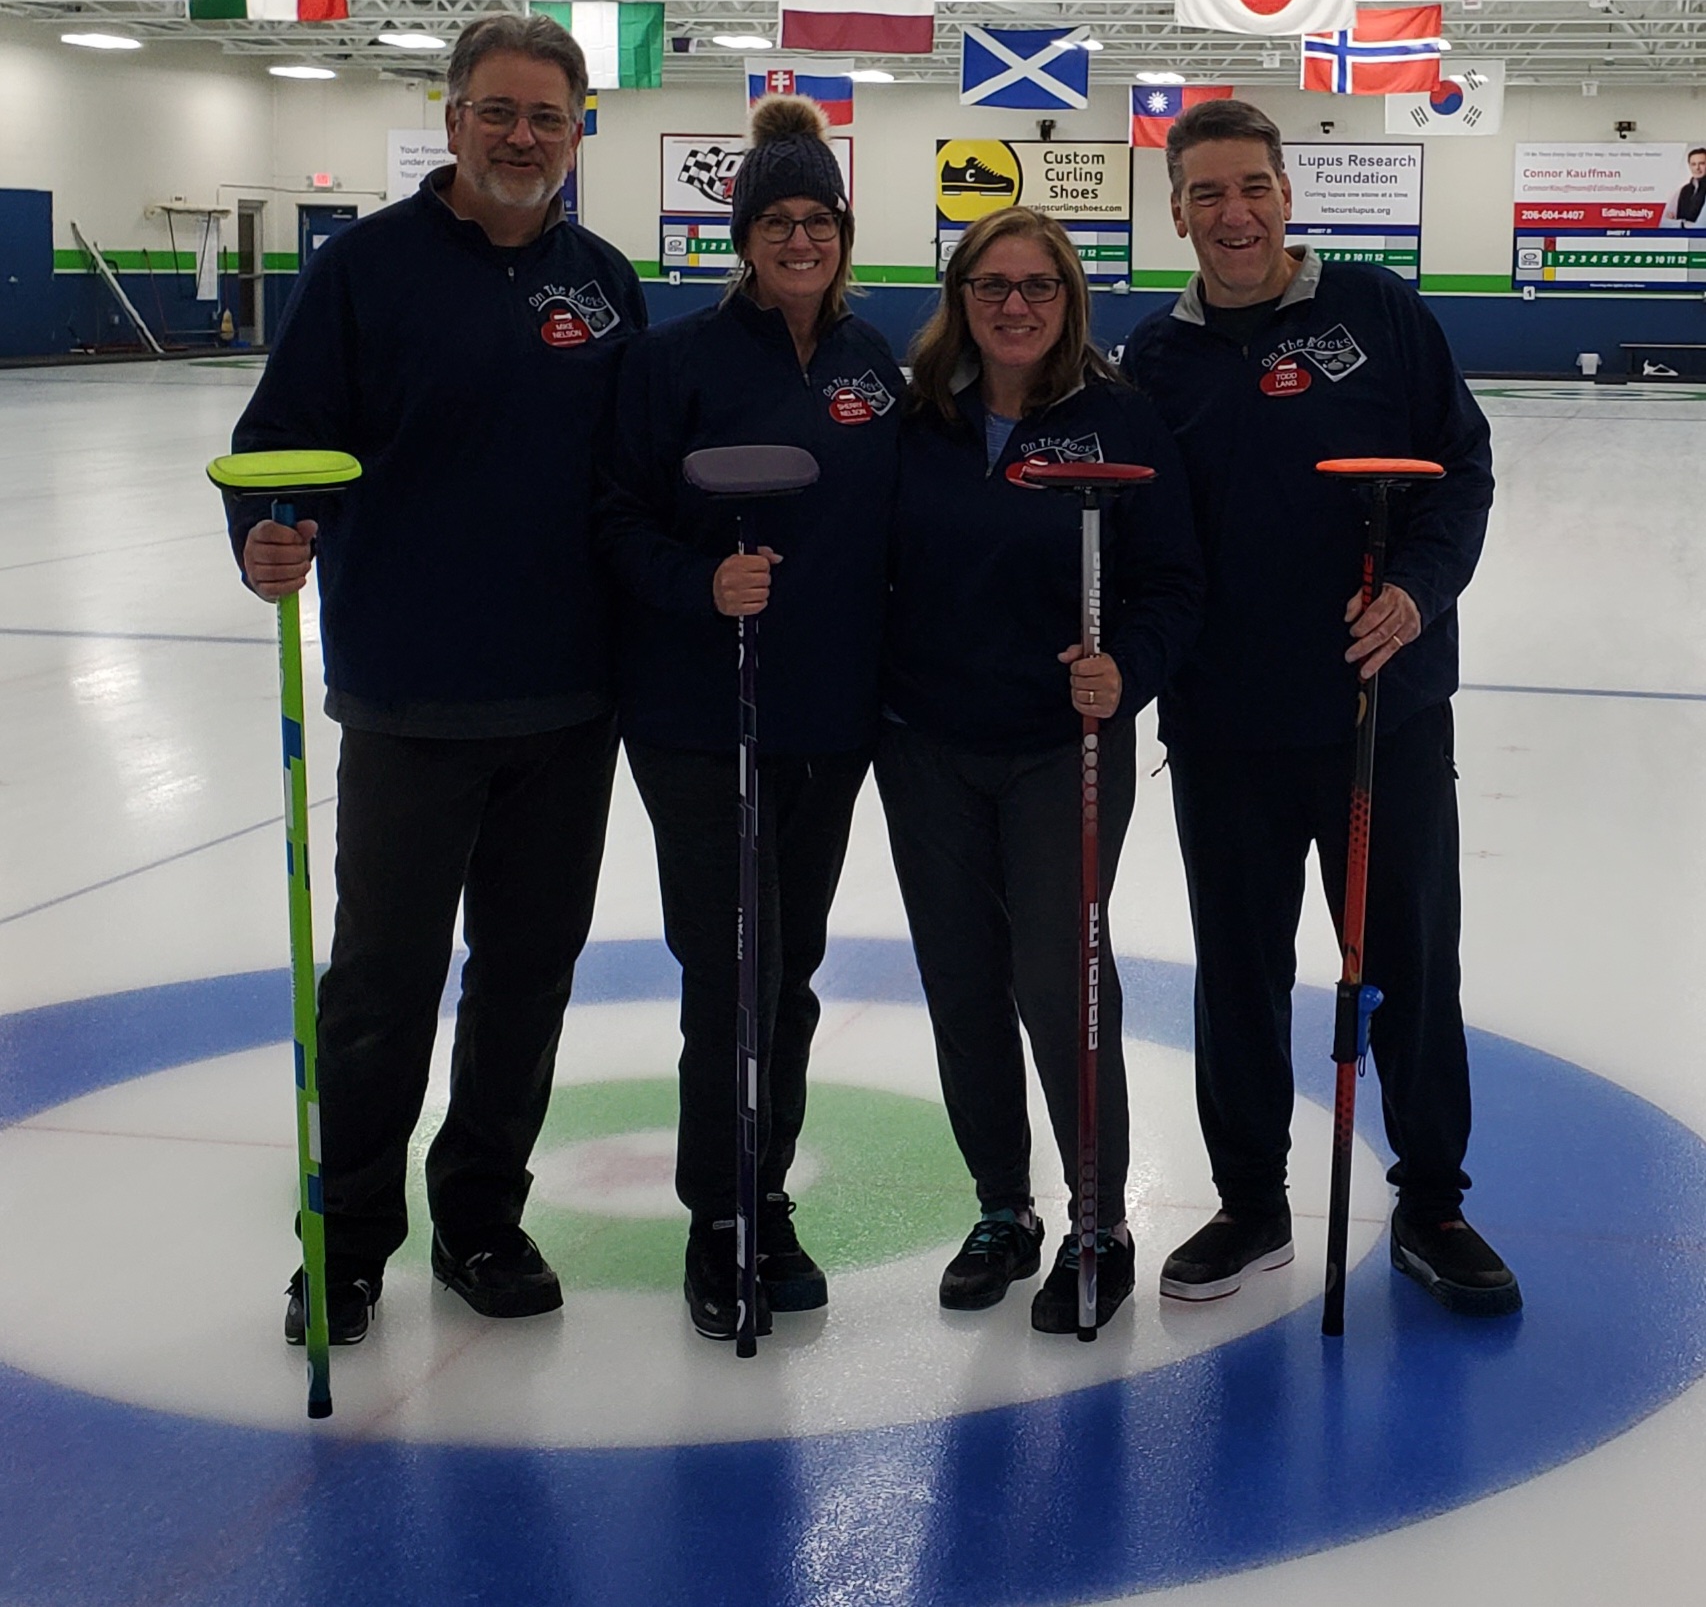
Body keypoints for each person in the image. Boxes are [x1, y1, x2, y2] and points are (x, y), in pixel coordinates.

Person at [220, 13, 645, 1344]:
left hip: (570, 701)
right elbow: (280, 440)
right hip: (410, 696)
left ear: (579, 133)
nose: (524, 138)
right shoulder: (366, 271)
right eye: (500, 112)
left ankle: (480, 1212)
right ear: (452, 117)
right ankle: (345, 1240)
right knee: (382, 987)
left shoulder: (605, 281)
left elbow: (629, 477)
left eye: (550, 118)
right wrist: (266, 530)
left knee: (527, 975)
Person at [1122, 98, 1520, 1317]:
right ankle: (1248, 1203)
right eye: (1205, 195)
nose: (1231, 215)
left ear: (1285, 196)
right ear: (1176, 209)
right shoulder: (1156, 359)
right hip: (1225, 726)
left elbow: (1460, 474)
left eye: (1250, 189)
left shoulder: (1378, 313)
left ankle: (1433, 1203)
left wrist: (1411, 591)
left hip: (1378, 716)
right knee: (1235, 971)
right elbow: (1148, 543)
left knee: (1404, 963)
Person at [598, 96, 902, 1342]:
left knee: (793, 972)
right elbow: (613, 519)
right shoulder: (674, 363)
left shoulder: (875, 364)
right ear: (742, 234)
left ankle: (762, 1193)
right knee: (730, 970)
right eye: (775, 220)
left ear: (842, 228)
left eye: (816, 218)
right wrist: (695, 585)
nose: (798, 238)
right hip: (697, 715)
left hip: (829, 719)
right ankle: (715, 1214)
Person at [877, 207, 1203, 1333]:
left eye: (1038, 286)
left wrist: (1128, 670)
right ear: (959, 297)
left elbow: (1171, 584)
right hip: (923, 744)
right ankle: (1001, 1208)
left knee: (1060, 982)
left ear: (1069, 299)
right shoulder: (915, 420)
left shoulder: (1116, 418)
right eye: (989, 285)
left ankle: (1098, 1219)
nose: (1013, 306)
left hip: (1059, 751)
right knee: (961, 980)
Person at [1668, 147, 1706, 227]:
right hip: (1684, 236)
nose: (1697, 168)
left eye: (1701, 163)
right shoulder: (1684, 190)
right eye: (1693, 164)